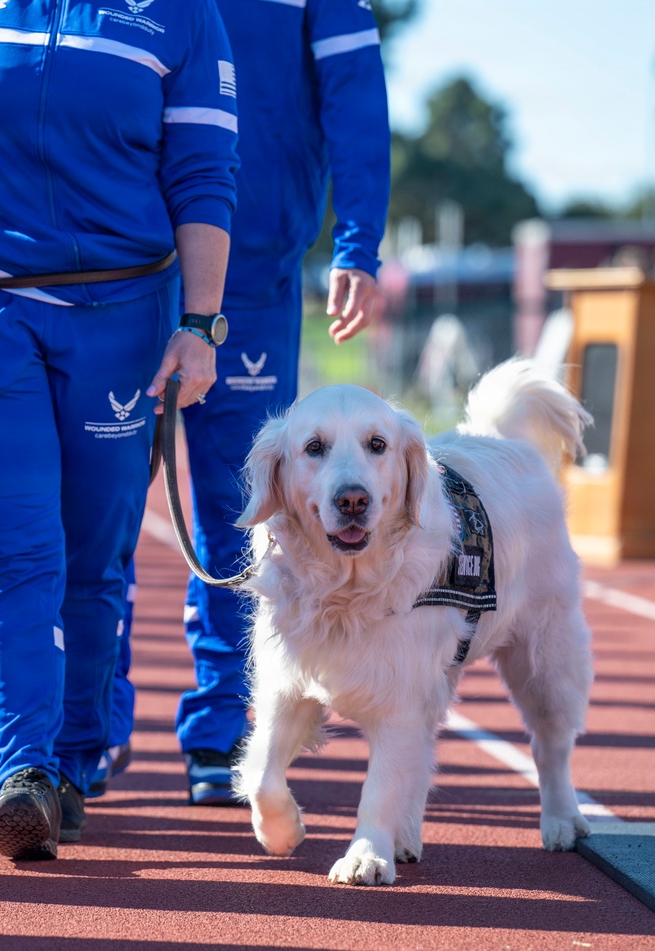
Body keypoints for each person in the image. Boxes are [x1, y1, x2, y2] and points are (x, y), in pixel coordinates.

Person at [0, 0, 238, 861]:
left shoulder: (183, 16)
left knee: (92, 551)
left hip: (120, 313)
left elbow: (205, 171)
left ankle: (74, 758)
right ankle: (22, 769)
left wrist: (203, 323)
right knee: (11, 545)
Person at [106, 0, 391, 806]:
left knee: (248, 516)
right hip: (119, 269)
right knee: (98, 506)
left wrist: (358, 242)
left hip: (255, 273)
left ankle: (224, 729)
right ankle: (84, 724)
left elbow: (357, 96)